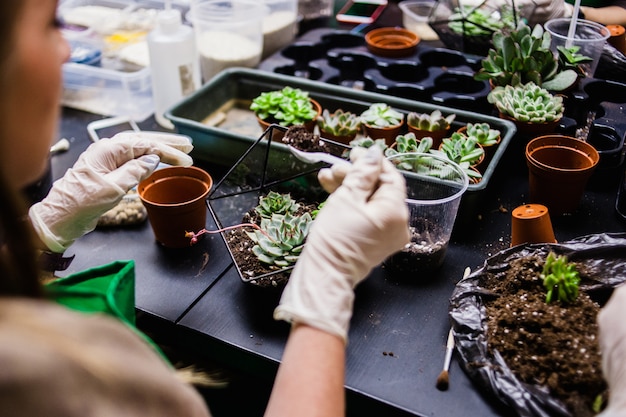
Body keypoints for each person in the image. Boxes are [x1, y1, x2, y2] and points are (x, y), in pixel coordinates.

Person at [0, 1, 410, 416]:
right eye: (53, 24)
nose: (69, 51)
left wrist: (41, 233)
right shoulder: (39, 378)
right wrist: (326, 290)